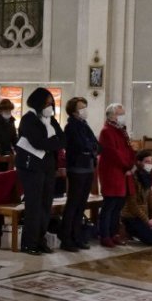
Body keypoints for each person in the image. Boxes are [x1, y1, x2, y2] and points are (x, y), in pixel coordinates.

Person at [14, 88, 65, 255]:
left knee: (46, 205)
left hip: (48, 167)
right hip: (31, 168)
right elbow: (37, 142)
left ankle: (40, 239)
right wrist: (52, 142)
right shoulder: (29, 119)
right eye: (46, 102)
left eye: (51, 103)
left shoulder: (51, 120)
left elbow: (62, 139)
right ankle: (29, 243)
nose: (49, 106)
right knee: (34, 206)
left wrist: (52, 142)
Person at [58, 97, 97, 251]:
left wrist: (91, 148)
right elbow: (81, 144)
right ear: (73, 110)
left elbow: (95, 143)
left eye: (85, 106)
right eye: (81, 107)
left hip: (88, 167)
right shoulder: (71, 127)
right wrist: (89, 148)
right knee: (73, 204)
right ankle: (66, 237)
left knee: (82, 204)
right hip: (77, 168)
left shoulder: (84, 125)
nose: (84, 110)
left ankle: (77, 236)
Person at [97, 102, 134, 248]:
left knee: (118, 205)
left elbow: (128, 149)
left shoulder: (121, 131)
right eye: (120, 114)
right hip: (112, 172)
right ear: (112, 116)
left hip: (123, 172)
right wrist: (127, 165)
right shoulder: (106, 131)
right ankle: (105, 235)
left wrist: (132, 163)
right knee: (109, 205)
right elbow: (113, 153)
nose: (123, 117)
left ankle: (114, 233)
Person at [122, 152, 152, 245]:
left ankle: (143, 230)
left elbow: (150, 202)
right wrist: (147, 221)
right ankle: (130, 232)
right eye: (146, 161)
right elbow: (133, 205)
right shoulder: (132, 178)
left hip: (145, 216)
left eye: (151, 161)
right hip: (131, 216)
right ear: (139, 162)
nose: (149, 164)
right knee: (151, 240)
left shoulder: (147, 177)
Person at [0, 99, 18, 169]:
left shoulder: (11, 121)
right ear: (0, 110)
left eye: (10, 110)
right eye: (6, 110)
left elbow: (14, 137)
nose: (8, 112)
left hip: (8, 152)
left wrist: (18, 149)